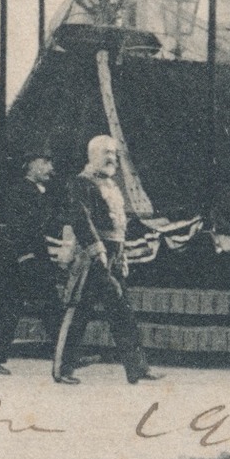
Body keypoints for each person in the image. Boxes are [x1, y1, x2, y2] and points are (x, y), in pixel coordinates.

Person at [57, 135, 159, 385]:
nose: (112, 157)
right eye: (106, 153)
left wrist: (120, 253)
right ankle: (61, 369)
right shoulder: (81, 183)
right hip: (92, 256)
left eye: (114, 153)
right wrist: (98, 252)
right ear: (92, 155)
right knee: (79, 310)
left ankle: (137, 368)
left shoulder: (112, 185)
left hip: (113, 254)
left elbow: (119, 225)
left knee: (122, 310)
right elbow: (81, 219)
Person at [0, 145, 65, 376]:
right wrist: (26, 258)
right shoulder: (20, 191)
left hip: (31, 259)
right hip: (17, 261)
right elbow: (18, 229)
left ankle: (67, 356)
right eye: (45, 162)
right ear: (30, 165)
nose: (50, 167)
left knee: (49, 305)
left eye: (50, 162)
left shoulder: (39, 191)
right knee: (11, 308)